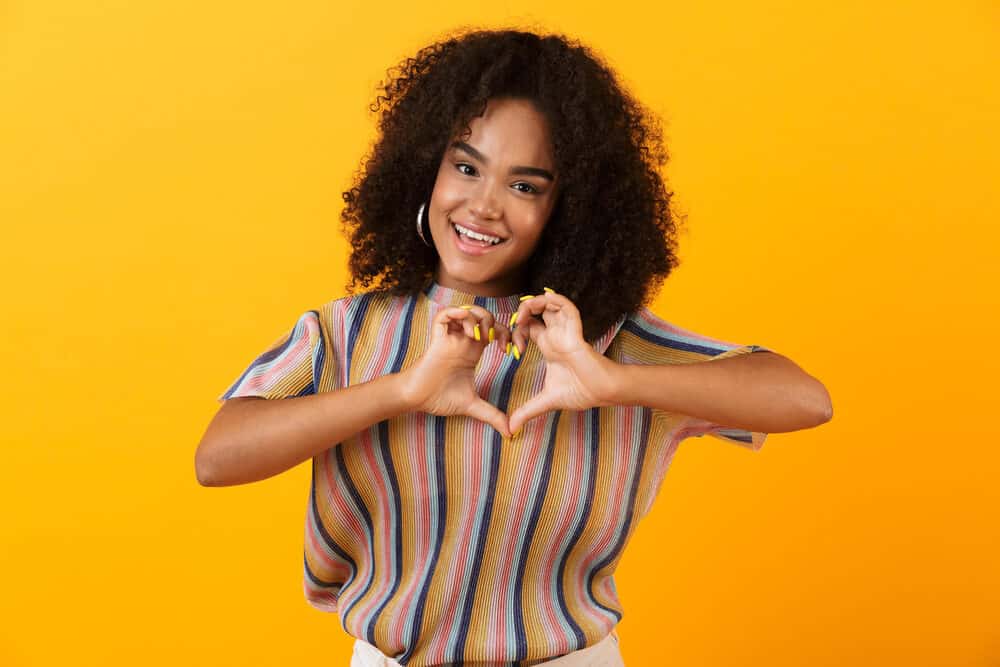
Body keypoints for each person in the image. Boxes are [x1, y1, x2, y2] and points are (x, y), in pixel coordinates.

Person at [196, 28, 833, 667]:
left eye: (525, 186)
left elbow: (804, 400)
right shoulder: (346, 332)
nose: (484, 205)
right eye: (466, 167)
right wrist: (404, 391)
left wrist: (614, 383)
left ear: (569, 208)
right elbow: (218, 459)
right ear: (426, 167)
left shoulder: (599, 339)